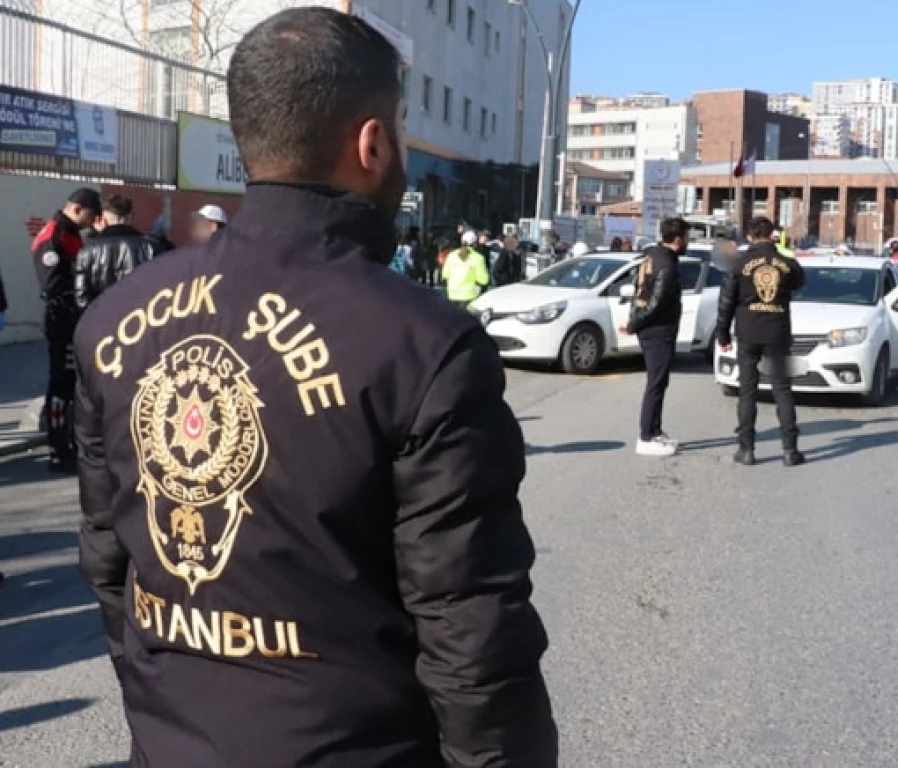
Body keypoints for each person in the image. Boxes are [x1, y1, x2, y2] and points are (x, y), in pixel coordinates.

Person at [72, 8, 557, 766]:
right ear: (372, 143)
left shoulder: (113, 321)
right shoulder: (424, 345)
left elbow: (110, 563)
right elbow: (469, 629)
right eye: (397, 125)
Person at [715, 216, 806, 467]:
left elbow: (726, 302)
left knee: (747, 391)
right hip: (777, 332)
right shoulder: (787, 262)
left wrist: (722, 334)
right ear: (772, 235)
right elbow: (800, 281)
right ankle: (790, 449)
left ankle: (746, 449)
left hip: (748, 332)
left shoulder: (738, 263)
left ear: (750, 237)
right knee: (783, 390)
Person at [32, 186, 100, 472]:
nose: (92, 221)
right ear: (77, 209)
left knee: (72, 384)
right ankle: (57, 448)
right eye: (90, 215)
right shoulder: (54, 235)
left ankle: (67, 443)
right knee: (61, 384)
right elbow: (54, 286)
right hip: (62, 319)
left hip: (72, 318)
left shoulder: (71, 235)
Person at [620, 217, 689, 457]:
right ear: (678, 239)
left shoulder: (652, 256)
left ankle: (656, 430)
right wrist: (634, 323)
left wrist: (634, 320)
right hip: (657, 331)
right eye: (687, 237)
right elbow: (656, 303)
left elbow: (637, 290)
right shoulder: (666, 265)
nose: (688, 242)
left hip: (653, 329)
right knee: (656, 383)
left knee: (659, 381)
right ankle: (646, 436)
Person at [74, 195, 158, 311]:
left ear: (103, 220)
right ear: (131, 217)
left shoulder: (87, 251)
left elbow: (82, 298)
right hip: (140, 320)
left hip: (103, 321)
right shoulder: (152, 247)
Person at [442, 230, 490, 308]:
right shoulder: (478, 258)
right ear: (475, 244)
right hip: (469, 295)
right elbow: (484, 280)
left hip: (452, 293)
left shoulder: (451, 255)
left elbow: (445, 274)